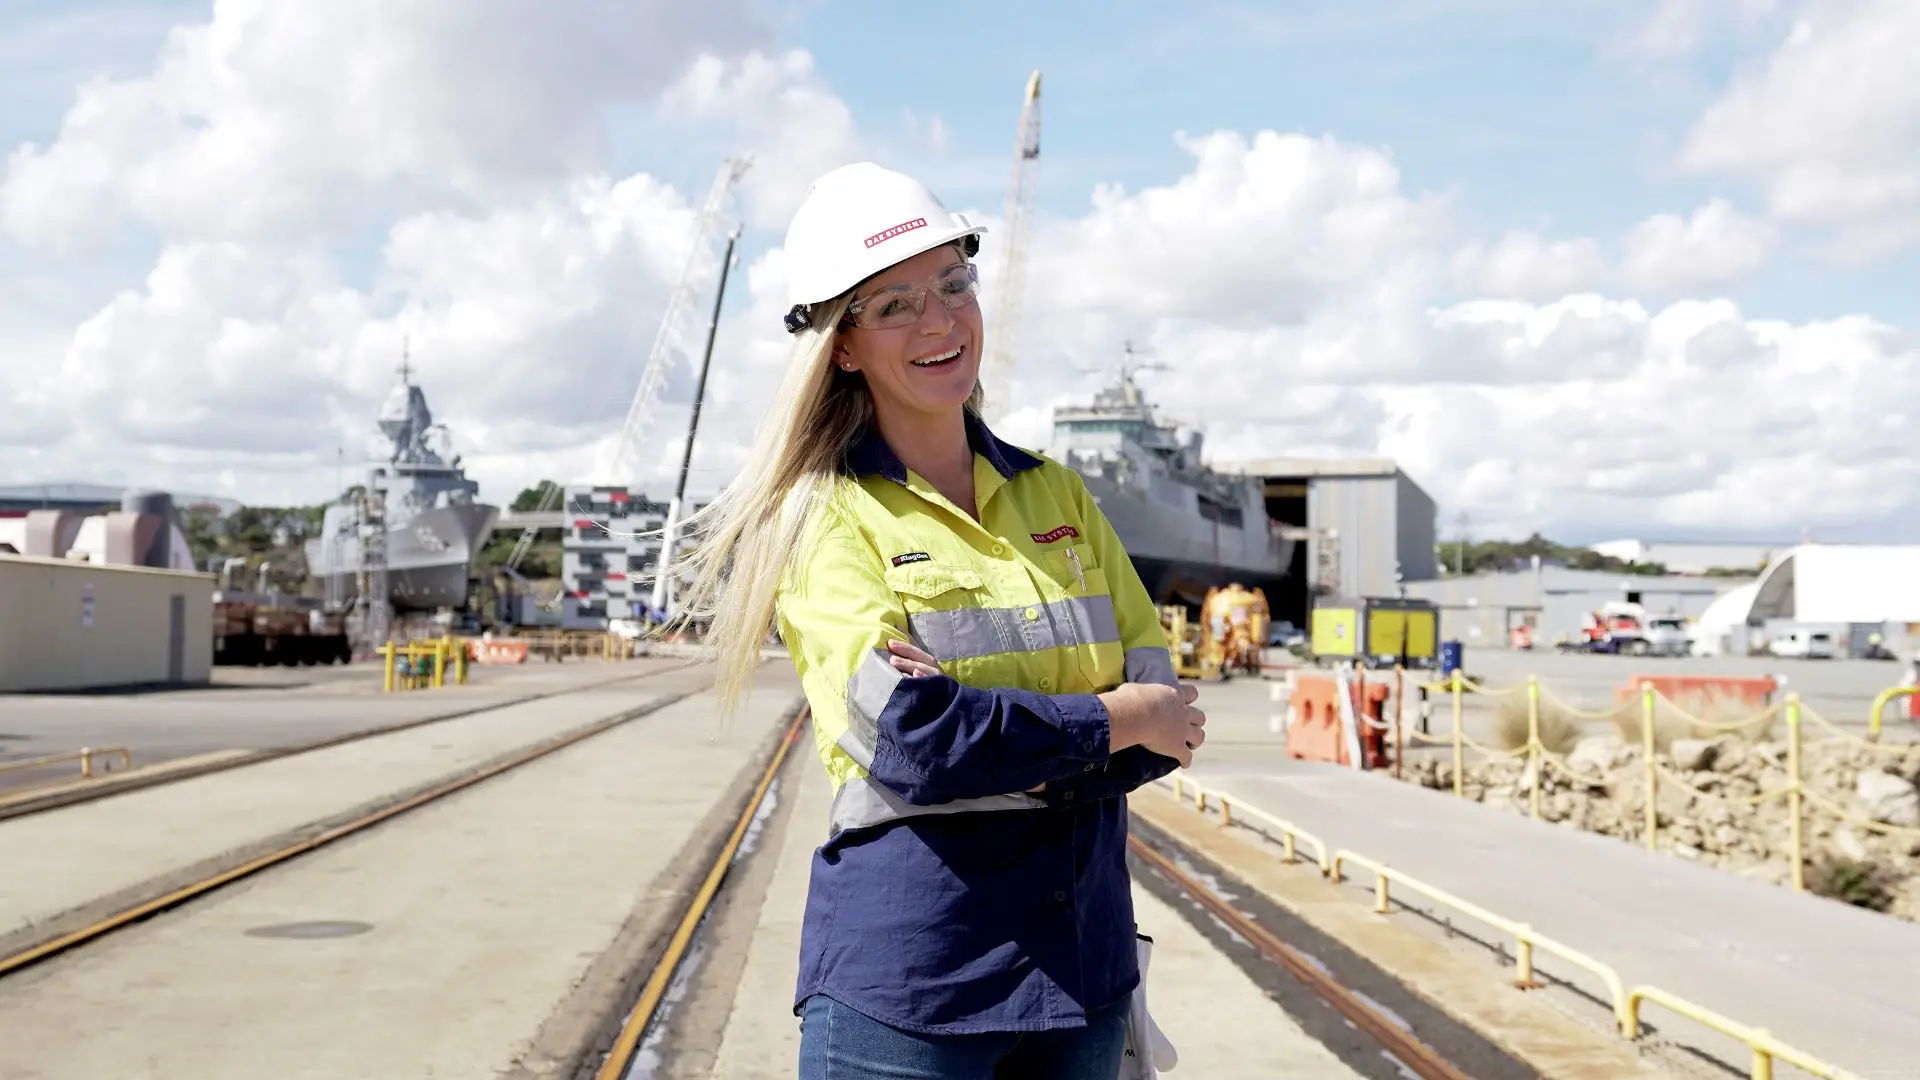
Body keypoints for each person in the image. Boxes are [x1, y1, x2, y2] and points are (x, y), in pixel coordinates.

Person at [669, 162, 1206, 1078]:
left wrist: (1020, 744)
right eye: (895, 305)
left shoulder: (1058, 495)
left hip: (1085, 969)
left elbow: (1171, 721)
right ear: (842, 346)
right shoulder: (825, 519)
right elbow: (916, 741)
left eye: (955, 284)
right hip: (919, 985)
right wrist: (1107, 723)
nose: (940, 322)